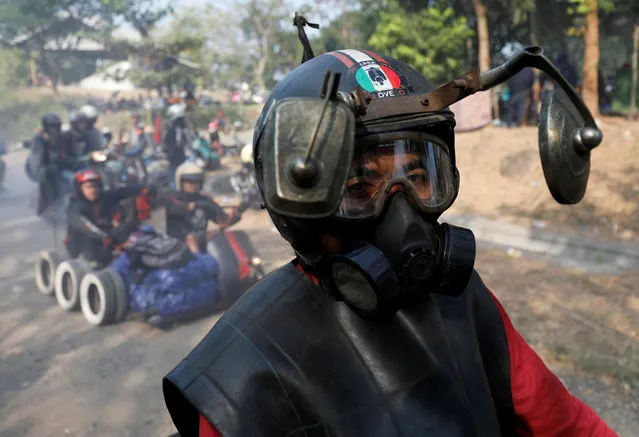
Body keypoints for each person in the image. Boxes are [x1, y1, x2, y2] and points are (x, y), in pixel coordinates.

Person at [162, 47, 617, 437]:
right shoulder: (241, 375)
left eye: (419, 177)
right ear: (295, 205)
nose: (401, 212)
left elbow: (561, 419)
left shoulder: (461, 298)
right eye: (360, 186)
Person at [66, 169, 151, 268]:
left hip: (105, 237)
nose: (93, 190)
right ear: (80, 189)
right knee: (88, 238)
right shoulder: (75, 207)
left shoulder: (104, 197)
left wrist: (143, 189)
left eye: (95, 186)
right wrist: (103, 237)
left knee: (131, 226)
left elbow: (123, 191)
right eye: (88, 187)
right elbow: (85, 226)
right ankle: (96, 263)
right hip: (85, 244)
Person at [165, 162, 247, 253]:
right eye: (189, 181)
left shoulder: (205, 200)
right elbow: (172, 209)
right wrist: (191, 206)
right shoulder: (172, 199)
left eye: (197, 181)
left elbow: (223, 220)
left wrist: (237, 212)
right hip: (176, 251)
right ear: (180, 181)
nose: (193, 185)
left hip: (201, 249)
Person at [27, 113, 82, 215]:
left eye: (55, 126)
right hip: (48, 169)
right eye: (51, 126)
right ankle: (47, 205)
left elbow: (74, 152)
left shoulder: (65, 136)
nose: (53, 129)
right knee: (45, 179)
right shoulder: (39, 139)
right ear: (45, 126)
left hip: (64, 167)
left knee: (77, 177)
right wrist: (42, 168)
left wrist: (73, 160)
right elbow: (36, 158)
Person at [165, 103, 189, 188]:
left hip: (176, 157)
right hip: (178, 156)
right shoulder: (181, 127)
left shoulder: (178, 128)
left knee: (175, 178)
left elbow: (178, 144)